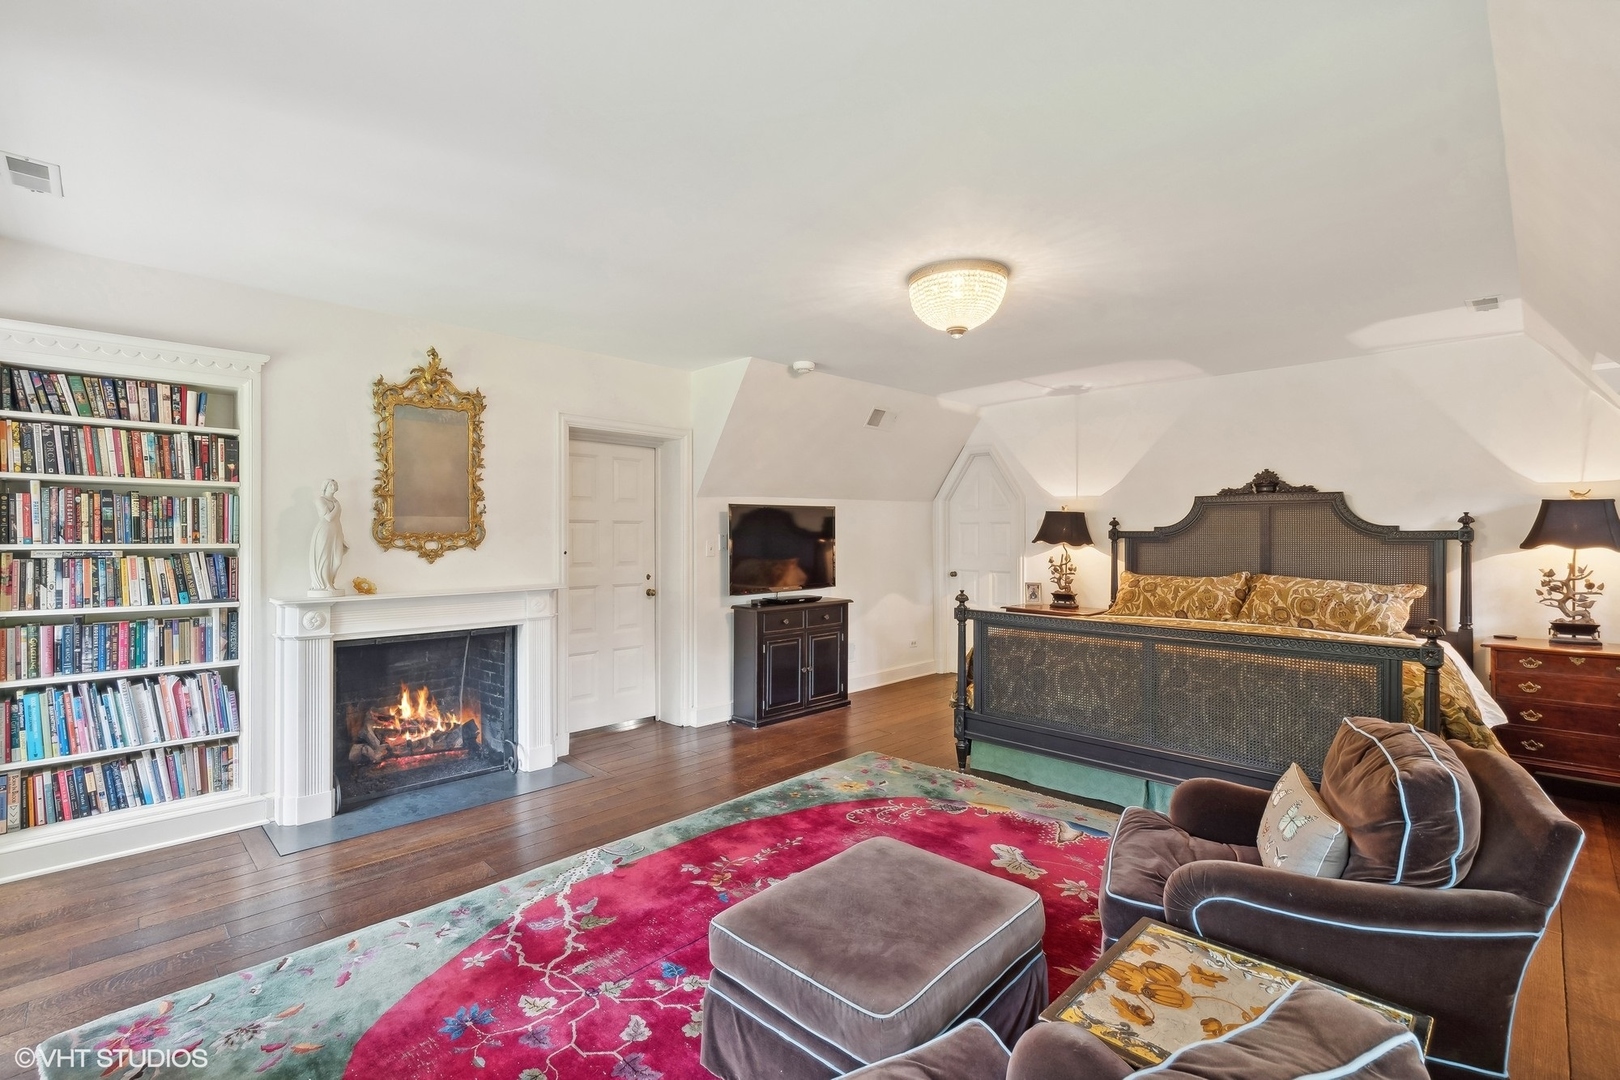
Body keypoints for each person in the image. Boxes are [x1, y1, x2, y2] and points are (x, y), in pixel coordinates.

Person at [309, 479, 349, 594]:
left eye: (335, 484)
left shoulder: (336, 501)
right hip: (324, 531)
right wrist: (336, 507)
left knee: (337, 560)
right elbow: (329, 518)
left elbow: (337, 520)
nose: (334, 486)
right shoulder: (320, 500)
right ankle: (326, 584)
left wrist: (341, 535)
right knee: (325, 558)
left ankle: (330, 582)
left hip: (336, 531)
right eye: (331, 484)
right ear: (325, 486)